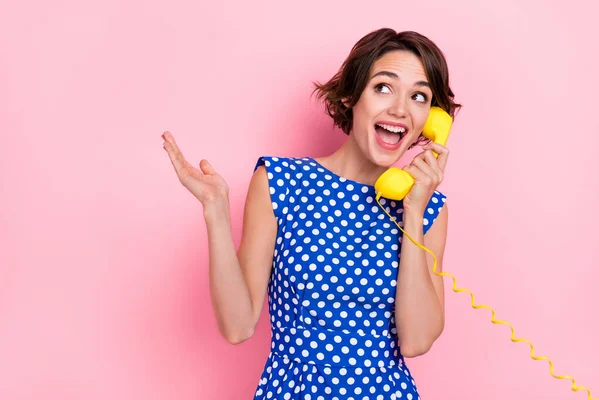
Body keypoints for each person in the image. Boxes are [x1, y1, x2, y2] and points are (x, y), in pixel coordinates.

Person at [162, 27, 461, 400]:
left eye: (419, 96)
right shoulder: (279, 182)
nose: (400, 108)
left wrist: (413, 212)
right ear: (352, 95)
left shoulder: (429, 208)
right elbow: (238, 327)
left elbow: (416, 340)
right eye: (383, 87)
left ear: (430, 119)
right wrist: (215, 213)